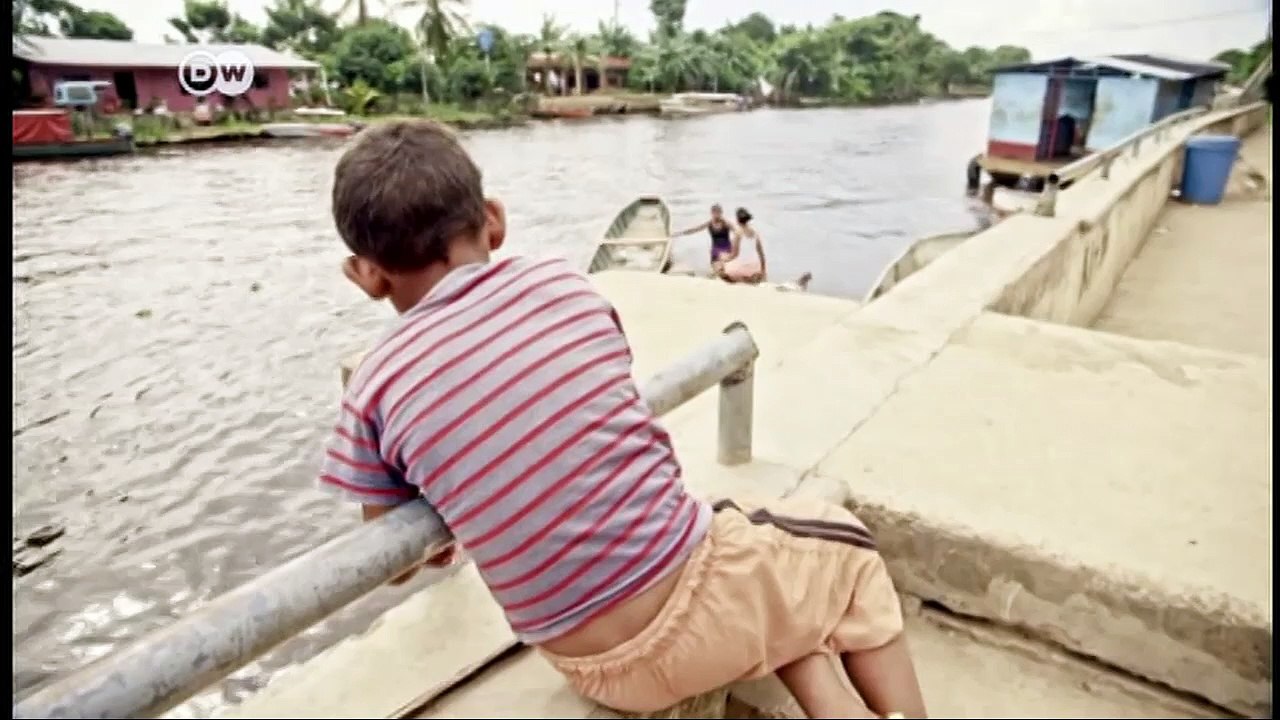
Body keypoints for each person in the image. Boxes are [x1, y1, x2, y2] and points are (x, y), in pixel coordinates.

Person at [321, 120, 927, 719]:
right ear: (494, 219)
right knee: (845, 549)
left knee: (777, 580)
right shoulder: (564, 288)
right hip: (693, 608)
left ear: (367, 274)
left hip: (590, 665)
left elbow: (400, 560)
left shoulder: (373, 386)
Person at [672, 204, 735, 270]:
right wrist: (680, 233)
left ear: (721, 213)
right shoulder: (709, 223)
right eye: (715, 212)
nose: (716, 214)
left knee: (723, 266)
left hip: (727, 249)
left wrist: (734, 242)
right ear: (711, 213)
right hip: (715, 250)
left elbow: (737, 232)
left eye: (718, 212)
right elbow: (695, 229)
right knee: (717, 268)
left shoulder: (726, 223)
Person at [718, 207, 767, 284]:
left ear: (737, 219)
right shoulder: (755, 233)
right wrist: (763, 270)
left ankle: (740, 279)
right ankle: (751, 278)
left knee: (721, 261)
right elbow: (761, 255)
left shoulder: (738, 233)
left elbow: (734, 255)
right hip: (754, 267)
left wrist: (724, 259)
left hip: (741, 268)